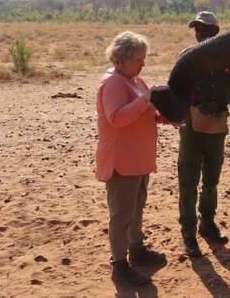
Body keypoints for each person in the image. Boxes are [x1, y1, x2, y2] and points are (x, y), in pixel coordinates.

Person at [96, 31, 174, 286]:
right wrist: (146, 100)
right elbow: (116, 118)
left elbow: (146, 111)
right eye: (139, 58)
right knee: (121, 215)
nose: (143, 63)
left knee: (136, 207)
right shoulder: (113, 83)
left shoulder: (133, 80)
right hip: (122, 160)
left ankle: (136, 250)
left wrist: (164, 117)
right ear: (123, 58)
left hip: (137, 160)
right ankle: (120, 265)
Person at [178, 11, 230, 257]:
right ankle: (189, 235)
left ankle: (208, 224)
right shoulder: (188, 57)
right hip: (192, 125)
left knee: (211, 180)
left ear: (216, 32)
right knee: (188, 182)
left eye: (204, 29)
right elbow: (175, 89)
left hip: (217, 124)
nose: (199, 33)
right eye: (197, 29)